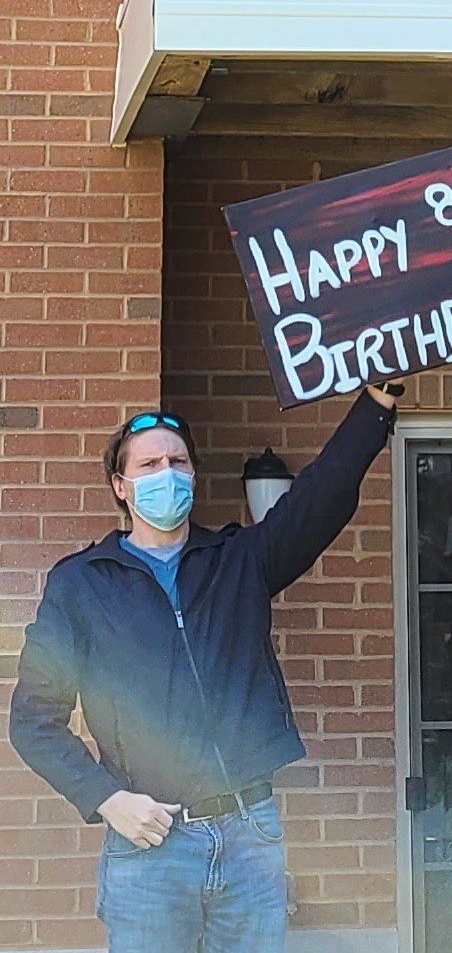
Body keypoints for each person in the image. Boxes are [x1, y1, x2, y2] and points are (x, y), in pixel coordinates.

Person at [9, 384, 399, 953]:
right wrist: (108, 799)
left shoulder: (239, 560)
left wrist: (376, 404)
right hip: (149, 845)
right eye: (149, 465)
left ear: (193, 476)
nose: (166, 473)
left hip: (249, 835)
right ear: (120, 486)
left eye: (178, 462)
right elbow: (33, 720)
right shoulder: (81, 585)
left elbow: (322, 496)